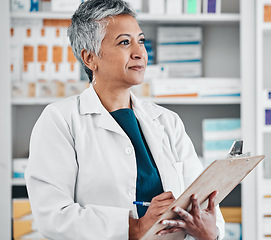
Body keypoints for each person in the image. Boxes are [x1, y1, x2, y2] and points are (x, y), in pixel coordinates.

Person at [25, 0, 225, 239]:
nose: (140, 52)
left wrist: (210, 232)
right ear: (90, 58)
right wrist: (135, 227)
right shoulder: (61, 120)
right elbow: (53, 216)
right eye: (124, 42)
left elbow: (202, 201)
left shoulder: (167, 121)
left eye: (140, 40)